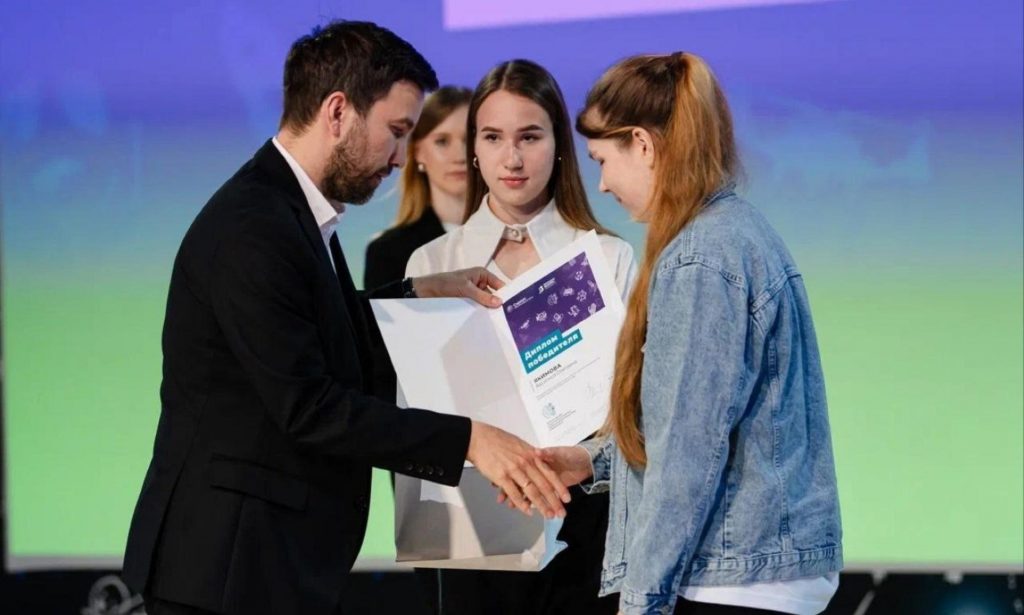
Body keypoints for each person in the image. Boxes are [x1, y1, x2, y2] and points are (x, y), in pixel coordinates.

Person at [121, 22, 570, 615]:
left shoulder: (288, 211)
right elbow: (310, 406)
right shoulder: (257, 227)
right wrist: (470, 440)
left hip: (256, 563)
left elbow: (313, 324)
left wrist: (415, 290)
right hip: (228, 570)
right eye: (396, 131)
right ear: (338, 112)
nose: (400, 158)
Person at [534, 53, 844, 615]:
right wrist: (591, 462)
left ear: (643, 145)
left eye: (602, 160)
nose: (601, 184)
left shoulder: (699, 258)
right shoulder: (735, 234)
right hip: (753, 573)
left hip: (728, 579)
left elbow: (687, 452)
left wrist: (642, 602)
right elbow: (688, 429)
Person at [406, 59, 636, 615]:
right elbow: (416, 419)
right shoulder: (432, 264)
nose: (511, 158)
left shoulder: (607, 258)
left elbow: (636, 407)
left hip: (585, 523)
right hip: (472, 531)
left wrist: (583, 459)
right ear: (474, 148)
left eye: (529, 137)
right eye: (493, 137)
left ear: (558, 145)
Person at [363, 85, 472, 290]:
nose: (459, 156)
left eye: (470, 140)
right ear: (419, 152)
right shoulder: (388, 252)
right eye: (442, 141)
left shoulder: (518, 237)